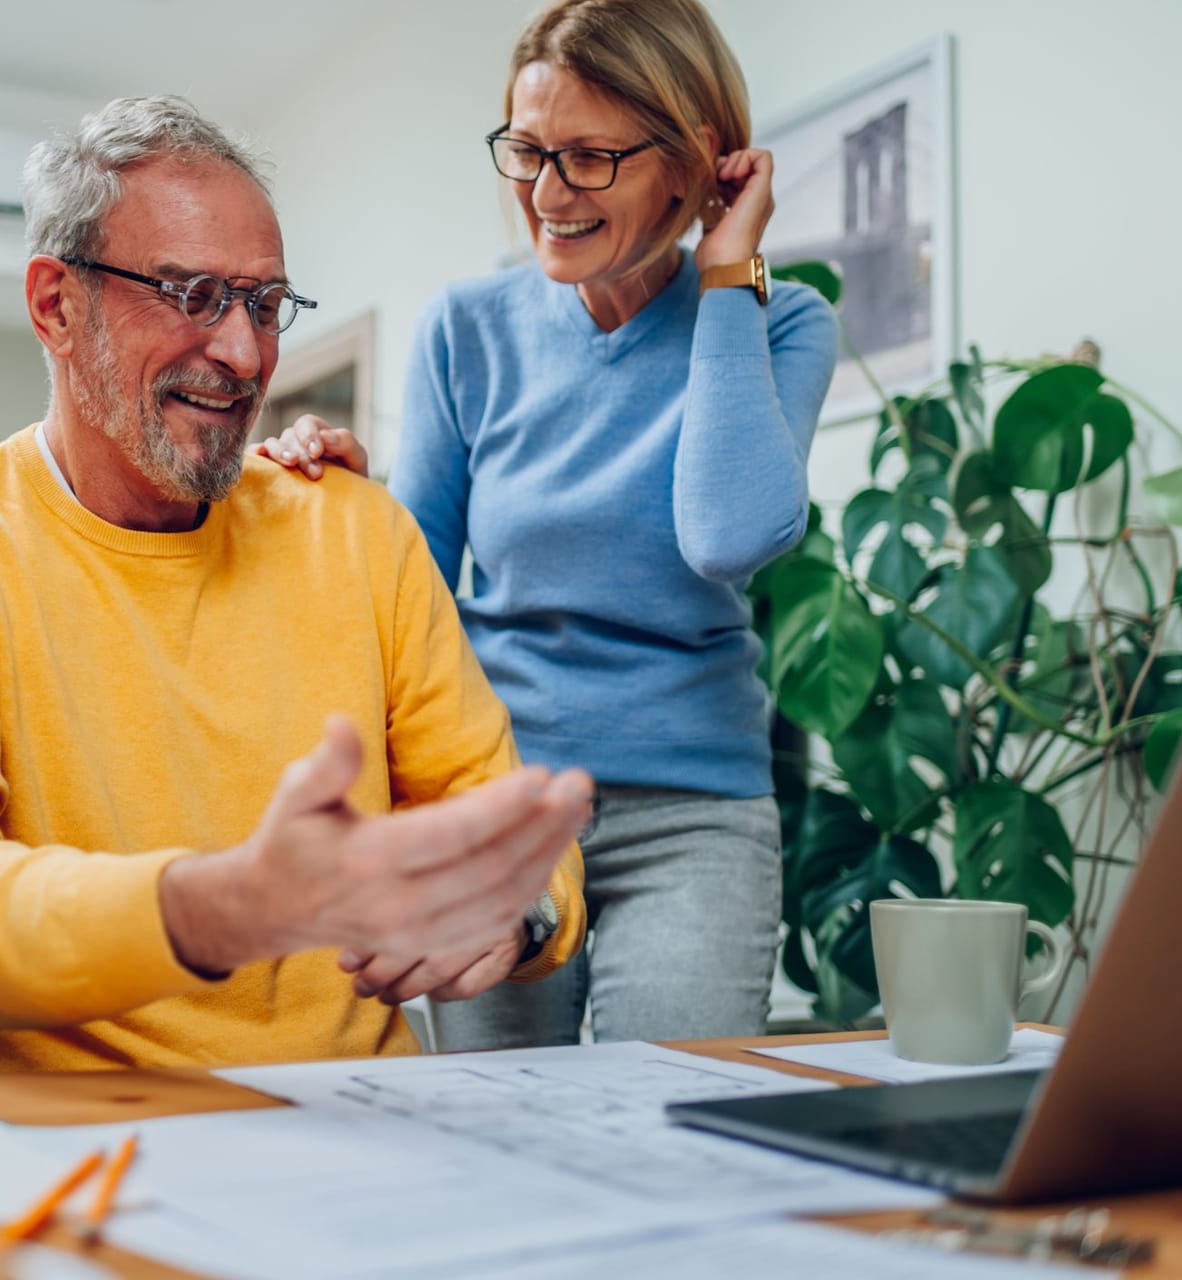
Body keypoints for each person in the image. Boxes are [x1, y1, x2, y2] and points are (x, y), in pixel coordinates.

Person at [0, 96, 592, 1074]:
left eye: (265, 305)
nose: (245, 353)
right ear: (56, 304)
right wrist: (224, 907)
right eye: (191, 295)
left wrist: (515, 911)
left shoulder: (355, 527)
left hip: (361, 1123)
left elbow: (520, 840)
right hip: (71, 1147)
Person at [257, 0, 838, 1049]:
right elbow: (417, 595)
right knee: (489, 1138)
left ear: (693, 157)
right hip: (498, 807)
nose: (545, 193)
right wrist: (347, 505)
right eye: (526, 151)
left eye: (588, 158)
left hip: (693, 819)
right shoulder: (466, 330)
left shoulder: (778, 318)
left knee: (666, 1137)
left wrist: (726, 269)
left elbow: (728, 533)